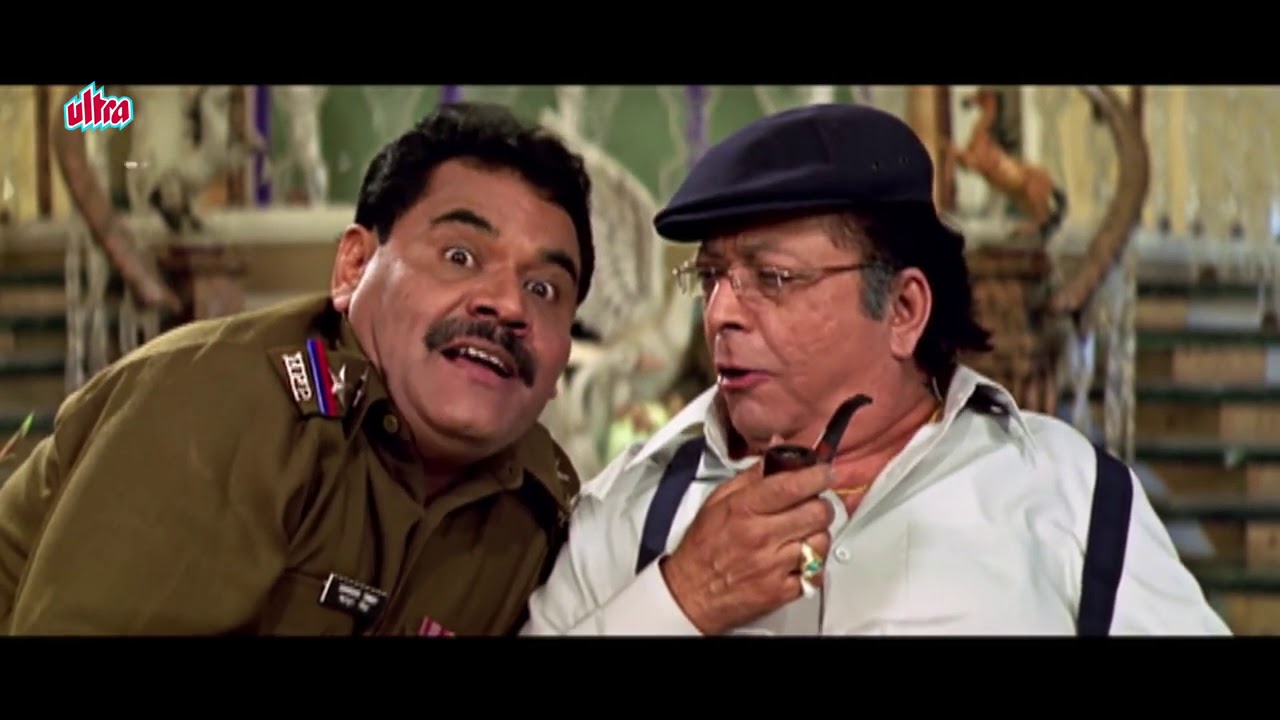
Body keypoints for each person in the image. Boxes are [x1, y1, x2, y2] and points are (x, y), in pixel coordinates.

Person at [523, 103, 1231, 636]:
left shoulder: (1068, 495)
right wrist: (680, 600)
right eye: (711, 277)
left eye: (772, 278)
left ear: (903, 308)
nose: (721, 314)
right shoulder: (632, 508)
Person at [0, 101, 594, 636]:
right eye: (460, 256)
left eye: (543, 288)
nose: (508, 305)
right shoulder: (224, 402)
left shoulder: (547, 513)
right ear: (353, 267)